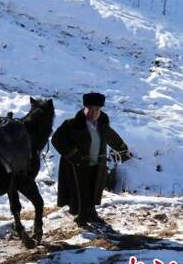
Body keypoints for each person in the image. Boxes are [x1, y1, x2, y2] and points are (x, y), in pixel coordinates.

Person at [51, 92, 132, 227]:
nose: (94, 113)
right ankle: (81, 215)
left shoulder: (102, 124)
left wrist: (123, 150)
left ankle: (92, 212)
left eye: (98, 110)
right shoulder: (72, 124)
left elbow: (112, 137)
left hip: (97, 163)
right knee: (81, 189)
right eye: (91, 109)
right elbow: (57, 140)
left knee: (94, 188)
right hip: (78, 164)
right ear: (85, 108)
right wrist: (74, 155)